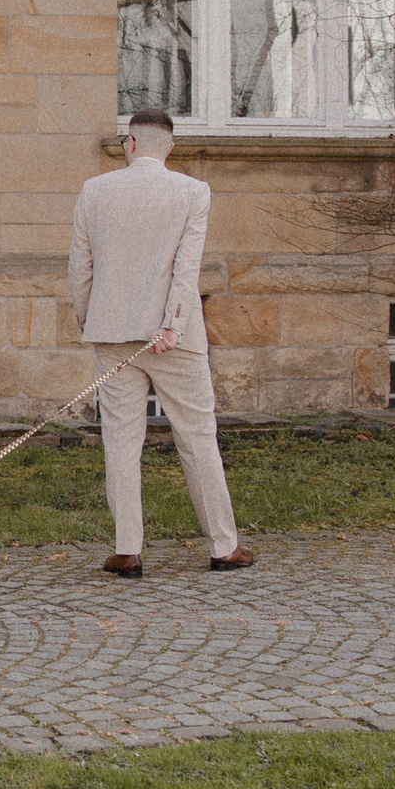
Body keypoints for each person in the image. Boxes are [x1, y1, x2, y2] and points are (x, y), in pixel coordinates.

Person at [68, 109, 254, 578]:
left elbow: (80, 267)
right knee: (197, 438)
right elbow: (185, 266)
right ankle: (223, 546)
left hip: (113, 333)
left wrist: (92, 319)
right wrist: (171, 322)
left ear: (129, 144)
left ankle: (128, 549)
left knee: (121, 442)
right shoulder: (192, 191)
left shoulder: (95, 190)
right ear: (168, 148)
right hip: (176, 337)